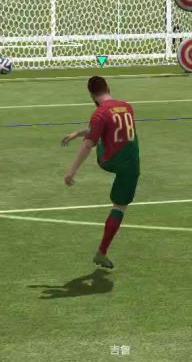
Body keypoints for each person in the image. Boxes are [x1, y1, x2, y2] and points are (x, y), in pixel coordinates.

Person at [61, 76, 140, 269]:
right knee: (120, 207)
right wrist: (80, 134)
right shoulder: (127, 107)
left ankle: (102, 254)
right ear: (108, 88)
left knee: (100, 135)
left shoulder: (100, 113)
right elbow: (106, 128)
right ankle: (101, 252)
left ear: (91, 95)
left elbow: (89, 143)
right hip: (131, 164)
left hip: (107, 159)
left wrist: (71, 172)